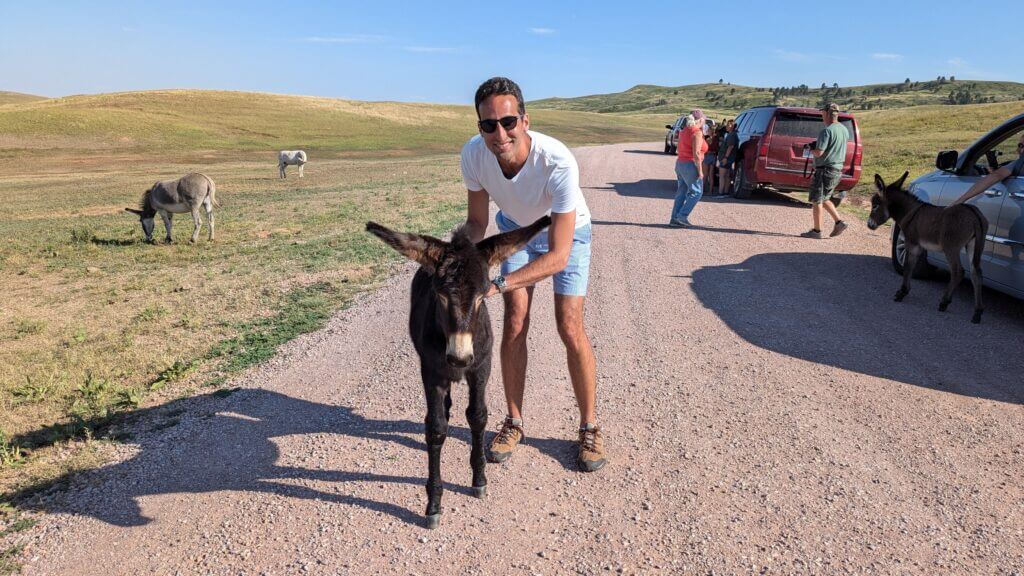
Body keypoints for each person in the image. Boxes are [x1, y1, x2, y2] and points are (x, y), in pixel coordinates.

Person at [461, 77, 606, 472]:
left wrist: (498, 283)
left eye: (508, 122)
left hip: (567, 233)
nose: (500, 134)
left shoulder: (557, 161)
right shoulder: (473, 155)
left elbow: (558, 255)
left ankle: (589, 426)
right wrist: (459, 258)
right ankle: (514, 421)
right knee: (514, 321)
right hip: (517, 230)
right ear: (480, 127)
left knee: (569, 325)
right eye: (489, 125)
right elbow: (477, 223)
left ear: (525, 121)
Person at [801, 102, 849, 239]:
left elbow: (819, 153)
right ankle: (839, 223)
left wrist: (811, 148)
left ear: (827, 113)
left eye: (823, 112)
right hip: (836, 170)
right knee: (825, 197)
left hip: (824, 170)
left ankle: (817, 231)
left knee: (817, 200)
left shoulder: (826, 131)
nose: (822, 115)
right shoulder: (844, 130)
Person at [950, 132, 1024, 205]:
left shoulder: (1019, 163)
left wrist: (960, 200)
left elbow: (996, 176)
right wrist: (996, 171)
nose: (1017, 150)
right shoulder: (1019, 163)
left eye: (1021, 146)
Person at [670, 109, 708, 227]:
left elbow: (679, 148)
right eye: (704, 120)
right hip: (690, 164)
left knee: (681, 192)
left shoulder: (684, 131)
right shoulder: (696, 132)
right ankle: (682, 216)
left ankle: (674, 219)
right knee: (697, 192)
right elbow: (696, 153)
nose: (704, 122)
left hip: (680, 163)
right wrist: (700, 171)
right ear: (700, 120)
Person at [718, 120, 738, 196]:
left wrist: (725, 157)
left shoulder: (732, 135)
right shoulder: (731, 134)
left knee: (722, 176)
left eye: (728, 125)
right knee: (726, 176)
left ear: (732, 126)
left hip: (726, 158)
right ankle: (725, 192)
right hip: (728, 158)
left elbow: (730, 147)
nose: (726, 126)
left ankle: (721, 193)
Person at [702, 121, 720, 194]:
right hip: (713, 156)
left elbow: (704, 148)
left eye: (708, 130)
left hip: (707, 156)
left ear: (710, 131)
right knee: (711, 175)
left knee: (705, 175)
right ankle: (710, 190)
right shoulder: (716, 139)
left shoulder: (707, 138)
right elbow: (717, 148)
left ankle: (702, 190)